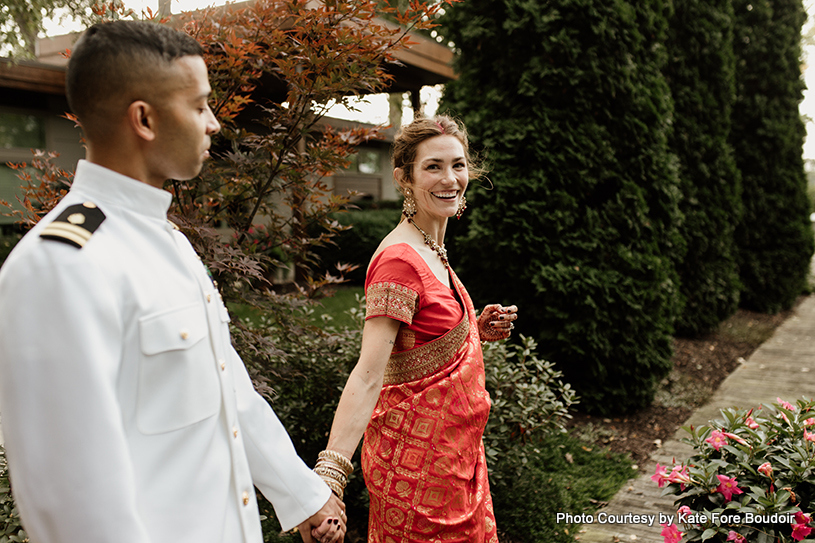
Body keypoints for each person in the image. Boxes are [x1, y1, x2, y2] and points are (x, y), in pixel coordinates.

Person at [0, 20, 344, 543]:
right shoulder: (61, 264)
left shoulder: (167, 240)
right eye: (201, 105)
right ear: (144, 118)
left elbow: (225, 389)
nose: (214, 125)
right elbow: (72, 499)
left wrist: (303, 495)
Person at [312, 116, 518, 542]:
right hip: (418, 473)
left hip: (458, 461)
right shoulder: (399, 261)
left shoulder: (431, 246)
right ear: (404, 179)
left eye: (458, 165)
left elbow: (417, 342)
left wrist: (471, 331)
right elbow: (369, 374)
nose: (451, 179)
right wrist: (331, 474)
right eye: (433, 167)